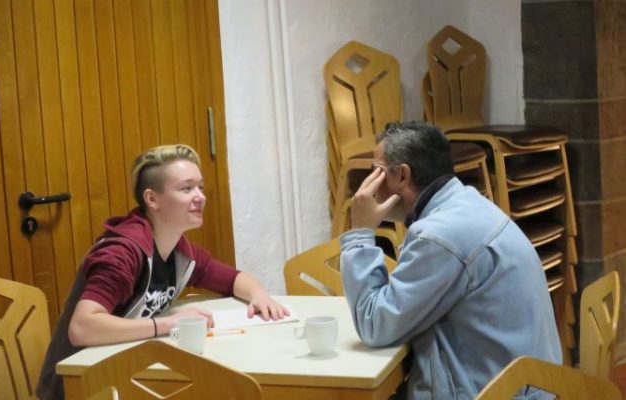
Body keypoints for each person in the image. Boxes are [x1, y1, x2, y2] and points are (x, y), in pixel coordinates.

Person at [37, 144, 288, 400]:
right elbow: (82, 327)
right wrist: (168, 324)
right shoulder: (121, 253)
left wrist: (259, 294)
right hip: (82, 387)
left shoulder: (179, 248)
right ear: (152, 199)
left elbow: (233, 279)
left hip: (130, 373)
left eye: (200, 187)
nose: (200, 197)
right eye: (186, 188)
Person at [340, 121, 561, 399]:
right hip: (531, 387)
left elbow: (374, 325)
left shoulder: (438, 236)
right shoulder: (467, 204)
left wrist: (360, 232)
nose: (370, 184)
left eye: (377, 171)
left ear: (403, 175)